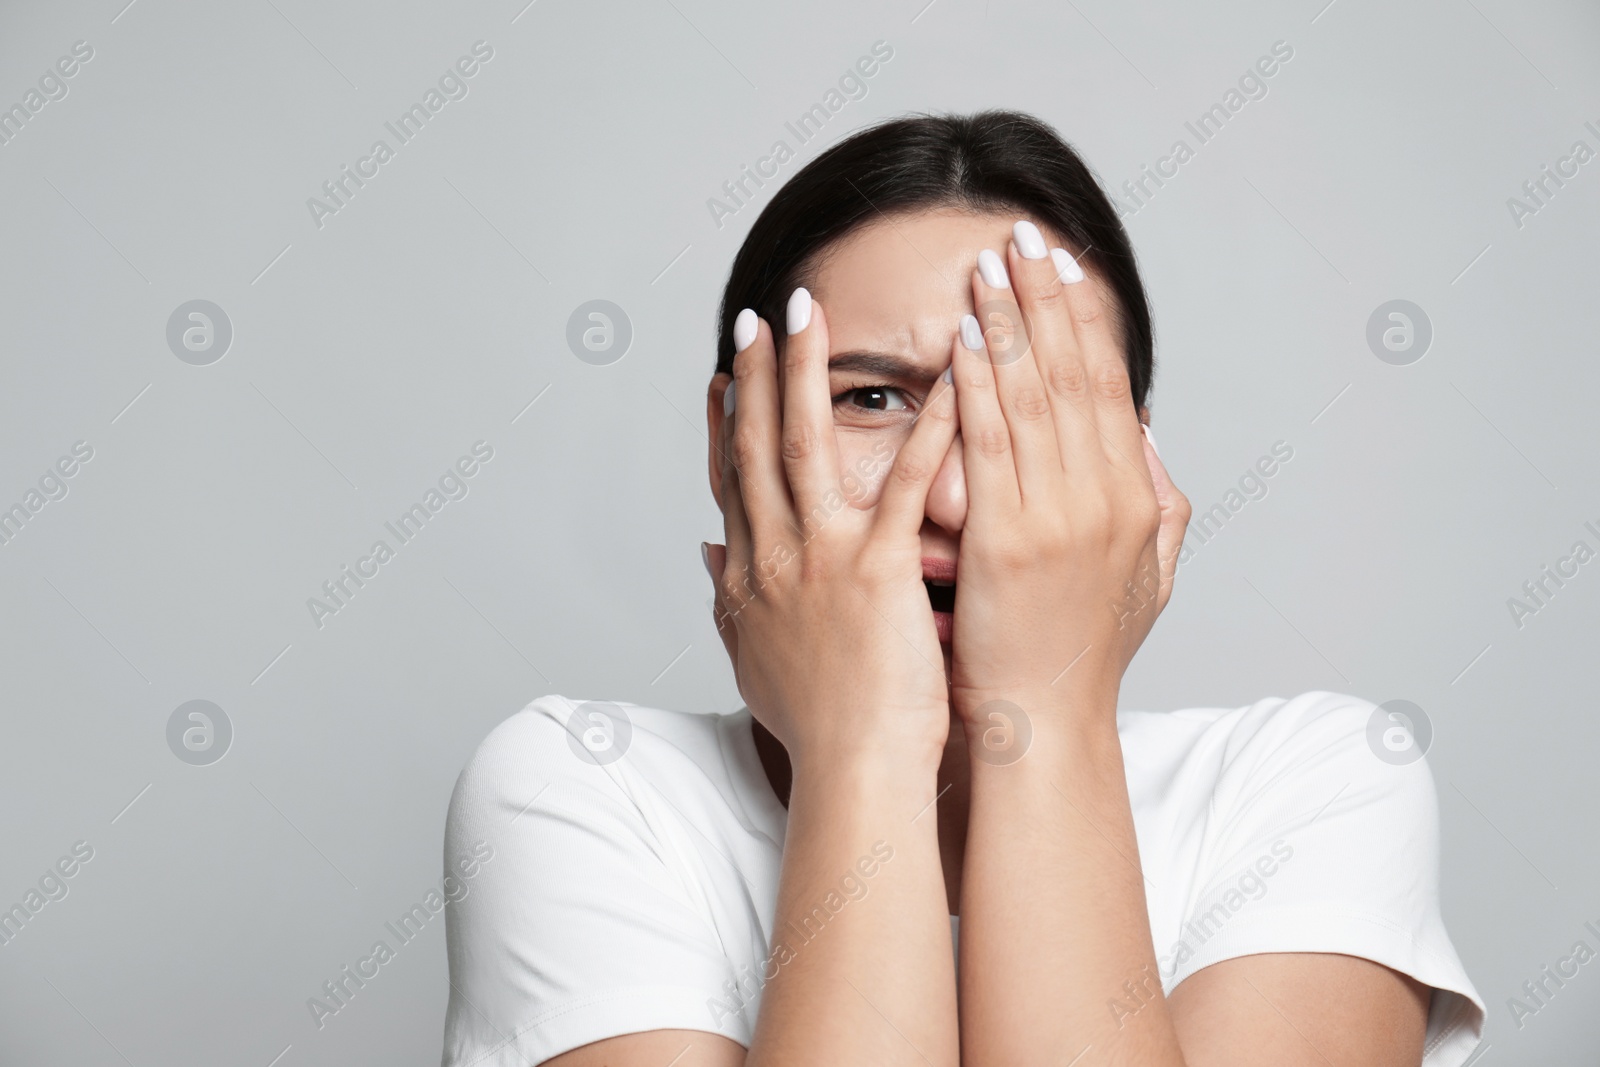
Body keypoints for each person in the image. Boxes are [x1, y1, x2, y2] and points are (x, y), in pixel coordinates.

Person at [440, 110, 1484, 1066]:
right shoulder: (583, 789)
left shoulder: (1311, 789)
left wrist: (1044, 707)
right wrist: (861, 743)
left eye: (1025, 406)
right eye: (871, 395)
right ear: (733, 442)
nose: (943, 492)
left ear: (1131, 459)